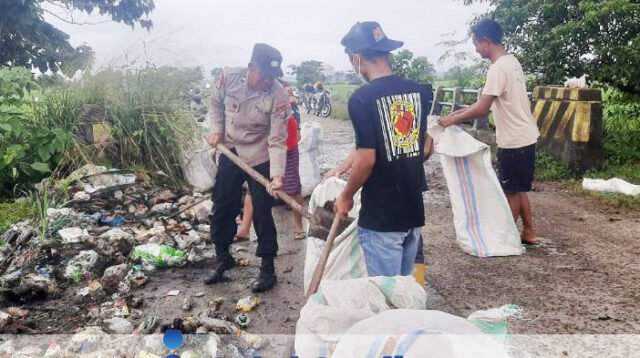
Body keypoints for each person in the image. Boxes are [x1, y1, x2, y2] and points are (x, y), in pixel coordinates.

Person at [334, 21, 433, 277]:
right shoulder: (418, 92)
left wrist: (345, 195)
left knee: (387, 299)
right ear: (385, 53)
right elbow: (425, 146)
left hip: (382, 218)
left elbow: (366, 160)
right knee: (405, 292)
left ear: (357, 58)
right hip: (413, 212)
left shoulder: (362, 99)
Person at [438, 19, 540, 245]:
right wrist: (455, 116)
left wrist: (452, 119)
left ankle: (506, 239)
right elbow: (483, 102)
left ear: (485, 41)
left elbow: (482, 109)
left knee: (510, 191)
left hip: (514, 139)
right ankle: (529, 231)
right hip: (525, 136)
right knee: (517, 187)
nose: (475, 49)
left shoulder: (497, 68)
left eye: (476, 43)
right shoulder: (511, 62)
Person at [205, 43, 291, 292]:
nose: (266, 80)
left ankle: (267, 268)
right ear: (251, 66)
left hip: (259, 155)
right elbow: (215, 104)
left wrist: (276, 176)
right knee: (222, 204)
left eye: (271, 76)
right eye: (263, 73)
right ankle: (223, 258)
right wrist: (217, 131)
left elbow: (277, 139)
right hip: (230, 150)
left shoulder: (278, 96)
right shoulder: (229, 77)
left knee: (263, 211)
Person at [236, 80, 306, 241]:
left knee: (292, 187)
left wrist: (298, 128)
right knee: (252, 188)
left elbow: (292, 115)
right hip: (263, 148)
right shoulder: (253, 97)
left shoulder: (282, 93)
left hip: (286, 145)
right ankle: (245, 229)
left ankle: (299, 226)